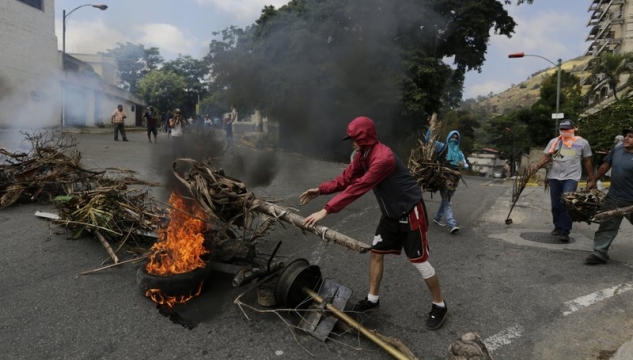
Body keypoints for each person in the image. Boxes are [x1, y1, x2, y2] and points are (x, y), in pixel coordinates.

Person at [300, 116, 448, 330]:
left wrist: (326, 210)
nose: (351, 142)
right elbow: (346, 179)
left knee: (418, 261)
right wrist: (320, 190)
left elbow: (358, 187)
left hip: (410, 211)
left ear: (365, 138)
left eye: (353, 138)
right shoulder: (363, 155)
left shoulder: (383, 159)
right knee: (376, 253)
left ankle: (439, 305)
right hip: (390, 214)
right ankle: (372, 300)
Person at [531, 119, 594, 242]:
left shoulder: (582, 143)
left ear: (574, 129)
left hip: (571, 177)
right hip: (554, 176)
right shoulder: (554, 142)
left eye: (567, 129)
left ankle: (565, 230)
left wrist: (592, 178)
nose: (564, 131)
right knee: (555, 204)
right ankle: (557, 226)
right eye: (562, 129)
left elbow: (587, 160)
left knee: (567, 203)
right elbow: (546, 157)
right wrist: (535, 167)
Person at [584, 128, 633, 265]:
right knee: (607, 225)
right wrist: (593, 179)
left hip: (632, 200)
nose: (626, 138)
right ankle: (599, 252)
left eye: (631, 136)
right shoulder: (617, 150)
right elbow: (606, 165)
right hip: (614, 197)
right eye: (626, 136)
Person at [425, 130, 469, 234]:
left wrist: (463, 165)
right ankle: (452, 223)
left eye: (456, 137)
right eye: (452, 137)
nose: (454, 139)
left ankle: (437, 217)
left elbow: (466, 165)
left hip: (454, 179)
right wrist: (431, 128)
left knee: (446, 199)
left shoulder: (459, 152)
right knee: (447, 200)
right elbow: (429, 141)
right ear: (448, 137)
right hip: (442, 177)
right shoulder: (442, 147)